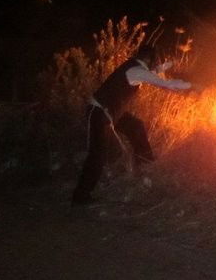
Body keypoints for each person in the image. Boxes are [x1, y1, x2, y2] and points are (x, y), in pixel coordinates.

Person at [71, 44, 193, 204]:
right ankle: (80, 197)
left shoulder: (135, 67)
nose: (156, 63)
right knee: (97, 155)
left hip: (111, 111)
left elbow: (151, 73)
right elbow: (165, 83)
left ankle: (145, 164)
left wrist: (169, 64)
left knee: (136, 126)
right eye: (155, 61)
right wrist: (192, 86)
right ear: (149, 59)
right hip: (98, 112)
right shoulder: (136, 70)